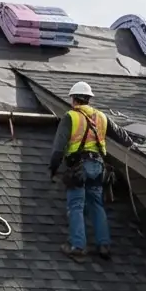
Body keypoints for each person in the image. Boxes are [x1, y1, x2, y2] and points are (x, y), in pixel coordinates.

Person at [47, 80, 113, 260]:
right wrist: (132, 144)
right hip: (98, 167)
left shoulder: (71, 117)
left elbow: (59, 148)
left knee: (76, 205)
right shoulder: (101, 117)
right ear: (89, 99)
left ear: (74, 99)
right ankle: (104, 245)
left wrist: (53, 168)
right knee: (96, 204)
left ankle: (77, 245)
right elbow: (119, 133)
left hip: (79, 167)